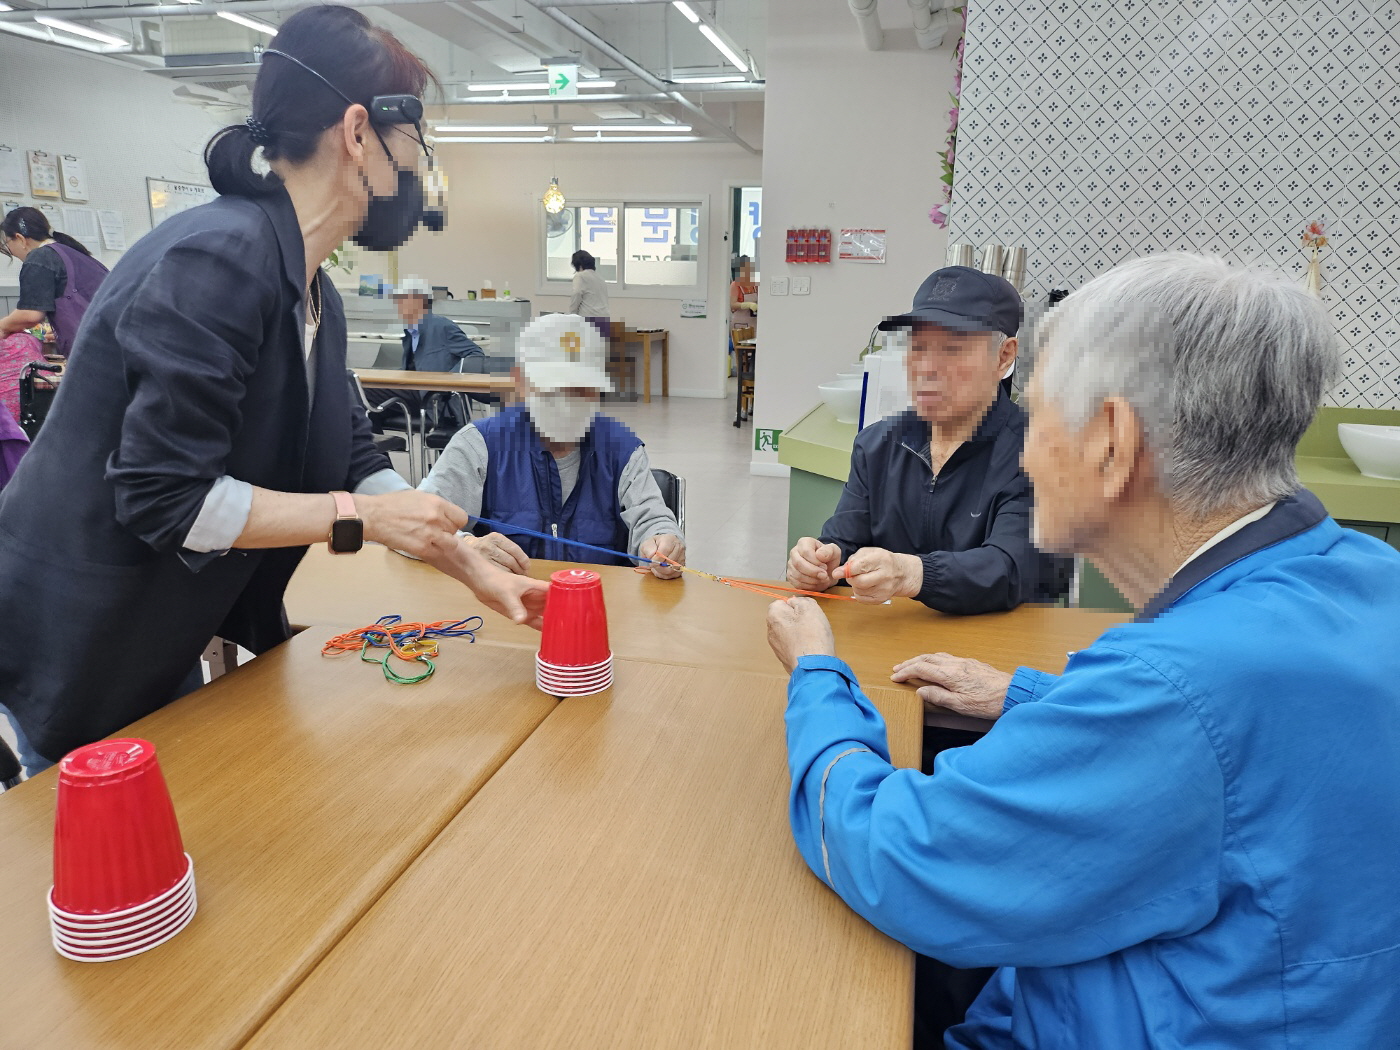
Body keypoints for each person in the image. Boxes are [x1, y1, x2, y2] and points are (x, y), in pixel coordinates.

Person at [765, 253, 1400, 1047]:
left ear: (1111, 441)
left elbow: (900, 853)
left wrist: (818, 678)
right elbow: (1245, 760)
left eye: (1038, 416)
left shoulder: (1169, 689)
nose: (1027, 455)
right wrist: (1037, 700)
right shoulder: (1371, 577)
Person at [0, 6, 546, 778]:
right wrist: (368, 520)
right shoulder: (217, 259)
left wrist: (460, 555)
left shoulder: (308, 284)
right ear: (357, 132)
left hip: (159, 623)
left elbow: (351, 456)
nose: (414, 172)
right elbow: (167, 497)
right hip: (79, 632)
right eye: (410, 145)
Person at [787, 266, 1066, 614]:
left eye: (952, 349)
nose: (927, 368)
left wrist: (911, 574)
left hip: (1000, 638)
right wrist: (821, 563)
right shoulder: (877, 445)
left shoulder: (1040, 451)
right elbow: (844, 540)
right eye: (918, 347)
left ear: (1004, 356)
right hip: (895, 637)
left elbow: (1012, 567)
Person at [422, 313, 684, 578]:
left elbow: (652, 519)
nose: (567, 400)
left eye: (581, 387)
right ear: (521, 382)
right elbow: (419, 524)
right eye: (553, 386)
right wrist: (467, 547)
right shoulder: (479, 444)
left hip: (598, 600)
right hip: (501, 600)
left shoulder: (623, 450)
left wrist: (663, 541)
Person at [366, 275, 485, 432]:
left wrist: (448, 379)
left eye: (402, 300)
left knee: (362, 391)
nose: (398, 305)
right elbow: (413, 369)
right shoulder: (411, 331)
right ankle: (376, 448)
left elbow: (477, 356)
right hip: (414, 393)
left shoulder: (441, 326)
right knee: (367, 409)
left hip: (434, 397)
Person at [0, 207, 110, 358]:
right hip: (112, 338)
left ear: (20, 239)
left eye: (7, 243)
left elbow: (30, 314)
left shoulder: (39, 257)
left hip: (97, 349)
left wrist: (3, 326)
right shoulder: (70, 251)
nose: (11, 251)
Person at [568, 249, 610, 338]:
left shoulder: (580, 276)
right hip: (604, 320)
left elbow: (576, 294)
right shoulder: (600, 278)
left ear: (579, 265)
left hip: (588, 320)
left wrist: (572, 315)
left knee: (577, 344)